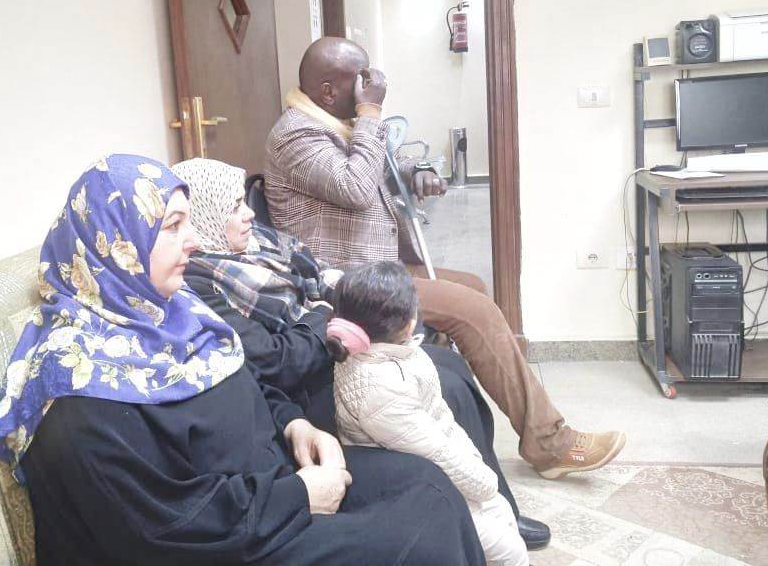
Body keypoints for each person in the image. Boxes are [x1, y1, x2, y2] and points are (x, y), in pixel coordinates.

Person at [0, 154, 497, 566]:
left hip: (262, 494)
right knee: (420, 546)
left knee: (430, 483)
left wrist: (295, 424)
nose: (193, 241)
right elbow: (162, 526)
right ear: (118, 246)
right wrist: (299, 497)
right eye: (173, 226)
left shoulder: (172, 313)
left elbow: (244, 378)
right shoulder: (78, 392)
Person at [264, 37, 626, 479]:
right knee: (473, 310)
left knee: (473, 287)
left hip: (376, 265)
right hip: (344, 281)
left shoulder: (333, 122)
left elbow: (379, 164)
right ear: (327, 91)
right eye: (360, 79)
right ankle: (549, 443)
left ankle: (433, 395)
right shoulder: (295, 134)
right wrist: (371, 112)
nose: (369, 86)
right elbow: (356, 186)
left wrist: (419, 172)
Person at [171, 157, 552, 561]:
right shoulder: (199, 282)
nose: (249, 213)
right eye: (234, 207)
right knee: (445, 390)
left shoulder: (256, 245)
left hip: (337, 347)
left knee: (450, 369)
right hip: (310, 386)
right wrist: (327, 314)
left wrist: (335, 304)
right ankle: (478, 541)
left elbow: (318, 272)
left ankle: (497, 512)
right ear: (206, 216)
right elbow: (277, 360)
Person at [328, 262, 546, 566]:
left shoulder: (396, 354)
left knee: (501, 515)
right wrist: (483, 482)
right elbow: (434, 452)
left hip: (437, 468)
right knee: (508, 550)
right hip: (414, 488)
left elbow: (439, 427)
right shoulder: (379, 389)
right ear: (408, 322)